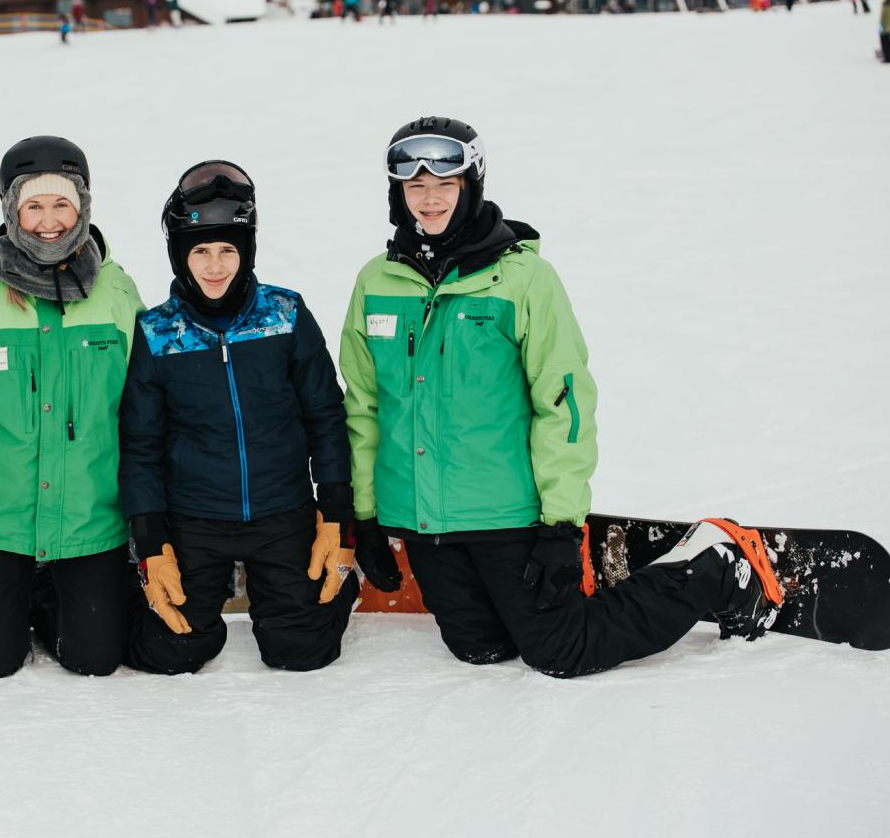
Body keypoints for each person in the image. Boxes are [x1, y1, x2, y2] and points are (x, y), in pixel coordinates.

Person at [339, 117, 783, 678]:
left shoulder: (524, 280)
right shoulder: (375, 281)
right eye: (415, 187)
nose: (429, 201)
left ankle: (713, 566)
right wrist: (367, 517)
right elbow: (363, 406)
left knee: (560, 651)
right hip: (426, 521)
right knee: (479, 648)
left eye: (444, 186)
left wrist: (560, 525)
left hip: (507, 512)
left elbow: (565, 407)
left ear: (471, 186)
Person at [120, 162, 360, 675]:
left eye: (228, 250)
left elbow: (325, 415)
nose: (214, 266)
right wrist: (150, 541)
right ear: (181, 255)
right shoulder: (158, 331)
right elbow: (141, 442)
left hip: (282, 510)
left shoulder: (286, 313)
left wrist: (336, 515)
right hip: (195, 517)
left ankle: (317, 594)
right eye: (201, 251)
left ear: (246, 251)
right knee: (172, 651)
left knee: (302, 652)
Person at [0, 137, 144, 679]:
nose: (47, 221)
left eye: (61, 203)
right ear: (10, 209)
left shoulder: (116, 291)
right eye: (32, 205)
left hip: (88, 515)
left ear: (83, 206)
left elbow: (147, 400)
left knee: (95, 659)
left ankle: (54, 590)